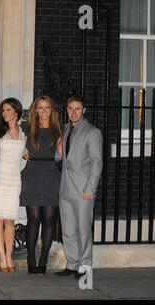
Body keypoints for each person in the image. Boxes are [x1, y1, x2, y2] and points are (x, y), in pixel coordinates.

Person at [55, 95, 103, 279]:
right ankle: (72, 264)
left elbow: (97, 162)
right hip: (65, 187)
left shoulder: (92, 132)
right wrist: (58, 149)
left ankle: (85, 267)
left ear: (84, 110)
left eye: (77, 108)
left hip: (83, 189)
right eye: (70, 108)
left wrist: (90, 190)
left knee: (83, 230)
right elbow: (60, 158)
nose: (73, 112)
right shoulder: (65, 129)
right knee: (68, 228)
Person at [20, 96, 63, 275]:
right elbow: (13, 144)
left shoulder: (58, 130)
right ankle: (31, 259)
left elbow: (63, 154)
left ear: (52, 110)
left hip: (52, 174)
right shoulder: (27, 129)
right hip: (33, 173)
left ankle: (43, 260)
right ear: (35, 110)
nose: (44, 111)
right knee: (34, 219)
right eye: (40, 108)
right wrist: (21, 151)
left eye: (47, 108)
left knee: (49, 220)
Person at [0, 98, 26, 273]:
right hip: (0, 177)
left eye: (8, 110)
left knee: (10, 219)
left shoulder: (23, 133)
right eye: (3, 110)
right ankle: (2, 256)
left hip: (14, 179)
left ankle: (9, 255)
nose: (4, 113)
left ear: (16, 112)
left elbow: (23, 159)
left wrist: (27, 157)